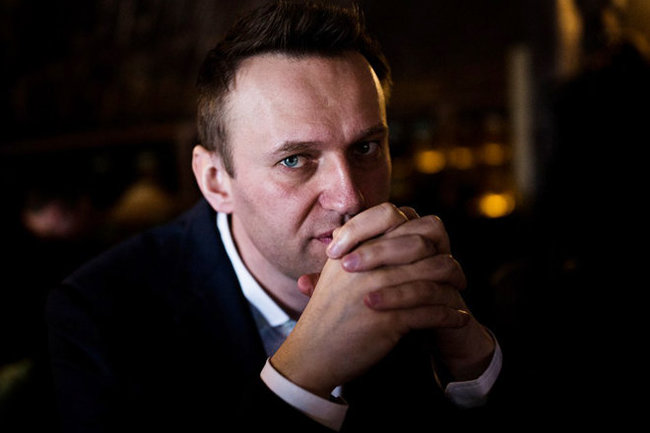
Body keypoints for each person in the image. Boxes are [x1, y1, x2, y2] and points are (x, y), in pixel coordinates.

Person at [46, 1, 502, 431]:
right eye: (294, 160)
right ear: (215, 181)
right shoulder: (99, 316)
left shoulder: (447, 258)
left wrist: (473, 368)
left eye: (365, 147)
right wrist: (302, 378)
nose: (348, 198)